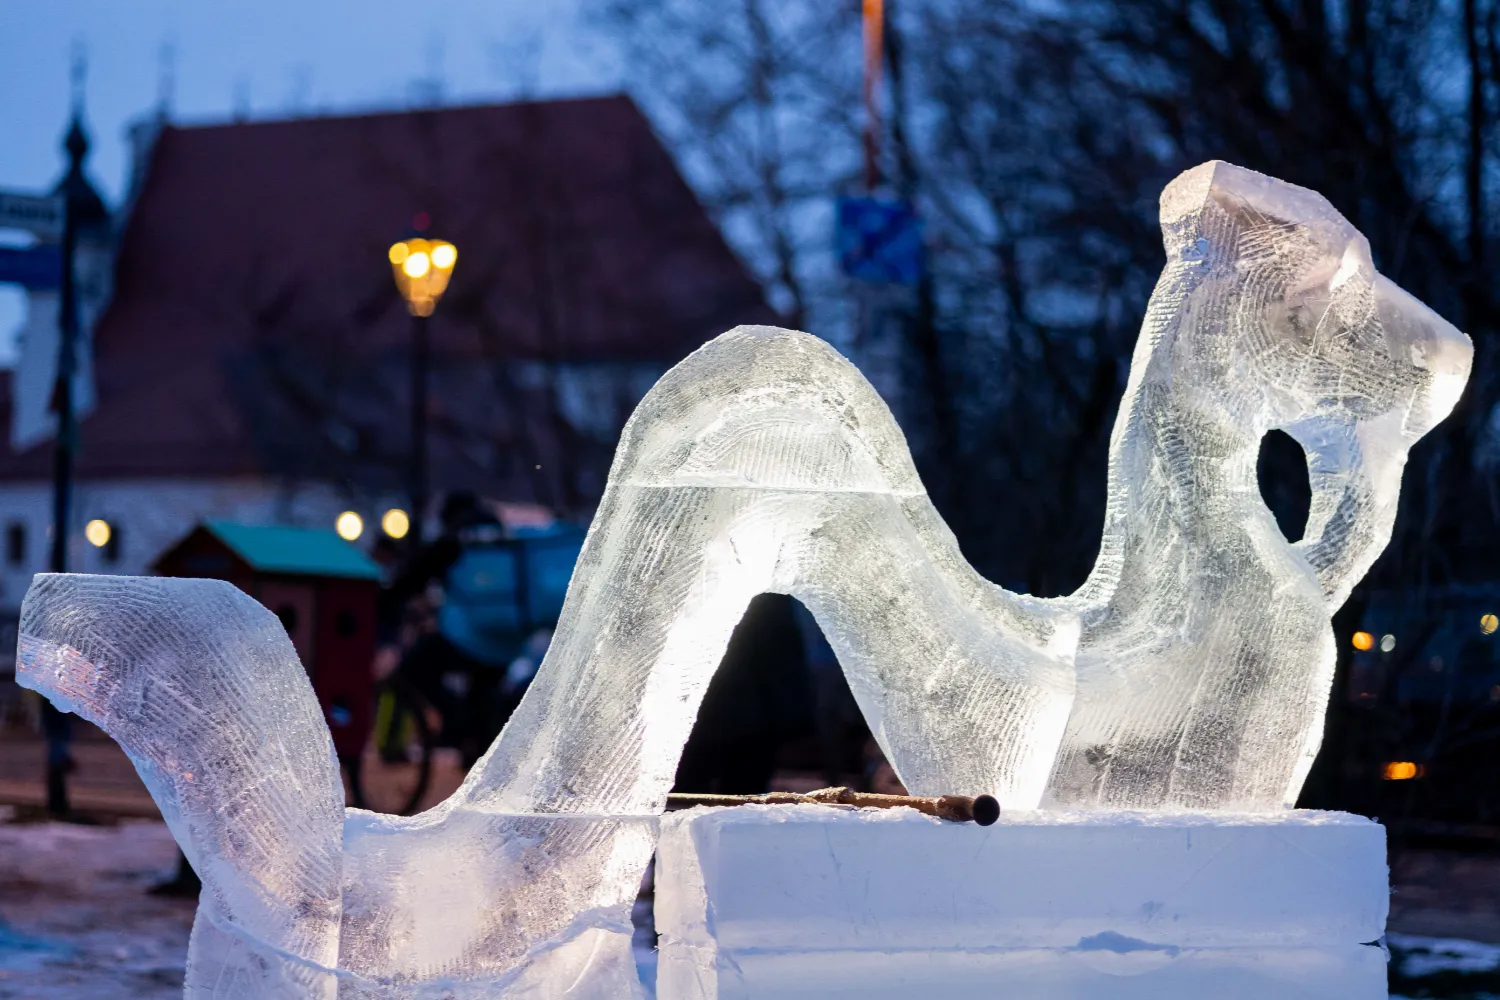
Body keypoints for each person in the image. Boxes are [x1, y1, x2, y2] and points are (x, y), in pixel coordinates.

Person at [382, 491, 530, 766]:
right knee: (484, 699)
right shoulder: (502, 539)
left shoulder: (459, 538)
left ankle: (457, 724)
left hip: (468, 636)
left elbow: (416, 575)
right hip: (507, 639)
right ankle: (482, 766)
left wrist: (387, 598)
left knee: (412, 671)